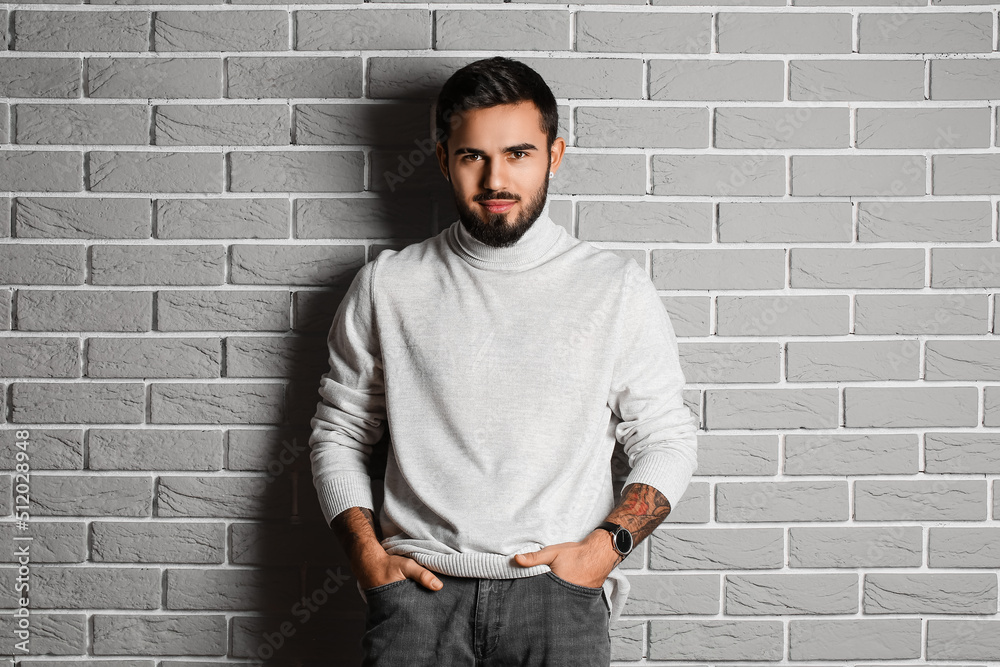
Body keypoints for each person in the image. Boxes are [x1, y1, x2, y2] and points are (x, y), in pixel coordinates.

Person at [308, 56, 698, 667]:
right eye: (473, 156)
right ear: (443, 159)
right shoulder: (388, 285)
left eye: (518, 153)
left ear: (555, 155)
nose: (496, 179)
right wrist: (368, 559)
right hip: (417, 602)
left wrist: (602, 551)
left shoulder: (614, 286)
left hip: (558, 602)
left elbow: (667, 437)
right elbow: (339, 432)